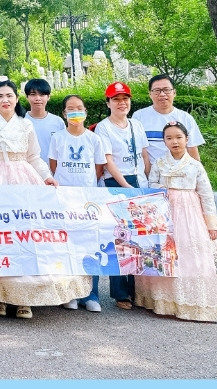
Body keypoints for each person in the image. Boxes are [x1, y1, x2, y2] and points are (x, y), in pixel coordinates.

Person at [0, 80, 91, 319]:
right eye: (0, 96)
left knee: (26, 236)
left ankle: (24, 299)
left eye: (9, 96)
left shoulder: (26, 126)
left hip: (23, 180)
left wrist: (47, 177)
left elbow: (34, 157)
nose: (5, 100)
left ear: (16, 99)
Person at [134, 122, 217, 322]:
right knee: (166, 253)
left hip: (190, 213)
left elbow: (206, 195)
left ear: (186, 139)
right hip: (165, 211)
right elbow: (151, 185)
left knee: (192, 252)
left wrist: (211, 224)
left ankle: (195, 303)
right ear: (164, 141)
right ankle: (163, 301)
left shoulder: (195, 165)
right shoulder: (160, 163)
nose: (174, 141)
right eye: (169, 138)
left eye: (178, 137)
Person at [48, 94, 127, 313]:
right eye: (70, 109)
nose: (75, 112)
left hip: (89, 199)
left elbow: (99, 168)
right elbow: (53, 167)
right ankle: (70, 293)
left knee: (90, 245)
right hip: (64, 198)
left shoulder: (94, 139)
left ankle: (90, 294)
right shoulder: (58, 138)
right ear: (64, 114)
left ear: (85, 112)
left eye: (79, 108)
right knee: (67, 245)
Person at [94, 81, 147, 311]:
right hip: (116, 182)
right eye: (116, 99)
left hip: (138, 182)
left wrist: (144, 179)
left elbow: (144, 154)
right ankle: (120, 292)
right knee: (119, 238)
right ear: (108, 103)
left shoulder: (136, 125)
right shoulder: (103, 127)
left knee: (141, 237)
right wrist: (125, 185)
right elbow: (108, 160)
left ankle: (138, 291)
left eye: (125, 98)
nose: (121, 102)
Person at [132, 73, 206, 170]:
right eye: (157, 91)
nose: (162, 94)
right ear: (150, 94)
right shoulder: (139, 116)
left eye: (166, 90)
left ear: (174, 93)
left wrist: (198, 176)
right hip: (151, 173)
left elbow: (192, 150)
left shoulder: (186, 118)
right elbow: (136, 150)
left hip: (180, 173)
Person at [24, 78, 66, 164]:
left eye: (42, 94)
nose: (38, 98)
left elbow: (63, 149)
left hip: (52, 172)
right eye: (33, 94)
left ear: (48, 97)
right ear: (27, 97)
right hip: (27, 171)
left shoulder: (58, 122)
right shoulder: (21, 120)